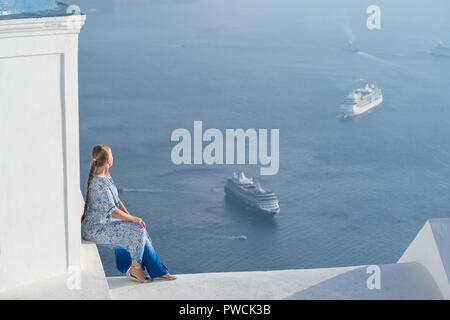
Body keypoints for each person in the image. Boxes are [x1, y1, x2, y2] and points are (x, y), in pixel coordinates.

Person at [81, 144, 176, 283]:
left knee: (140, 229)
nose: (114, 157)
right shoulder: (98, 184)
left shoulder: (106, 176)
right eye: (112, 155)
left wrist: (131, 218)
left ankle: (157, 271)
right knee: (137, 231)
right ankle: (134, 269)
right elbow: (112, 210)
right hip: (94, 228)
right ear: (108, 160)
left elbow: (116, 201)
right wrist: (132, 219)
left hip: (104, 222)